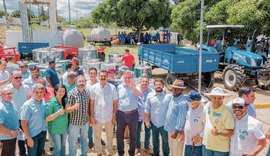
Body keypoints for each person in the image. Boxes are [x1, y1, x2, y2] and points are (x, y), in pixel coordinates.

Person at [90, 70, 118, 156]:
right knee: (97, 137)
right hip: (97, 117)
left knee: (109, 136)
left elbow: (115, 102)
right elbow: (91, 103)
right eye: (101, 76)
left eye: (104, 76)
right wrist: (92, 116)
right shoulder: (93, 88)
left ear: (107, 77)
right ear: (99, 76)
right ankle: (99, 152)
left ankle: (109, 152)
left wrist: (114, 115)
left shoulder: (112, 88)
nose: (103, 77)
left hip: (109, 117)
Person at [203, 87, 235, 156]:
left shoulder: (227, 112)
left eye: (219, 98)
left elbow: (230, 132)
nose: (217, 100)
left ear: (223, 98)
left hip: (221, 149)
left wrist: (219, 133)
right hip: (206, 145)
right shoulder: (207, 106)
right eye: (214, 98)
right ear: (210, 97)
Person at [7, 70, 31, 156]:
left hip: (24, 117)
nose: (18, 79)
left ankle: (25, 153)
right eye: (16, 77)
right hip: (13, 117)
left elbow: (29, 100)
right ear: (11, 77)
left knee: (26, 136)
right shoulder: (8, 88)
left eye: (20, 77)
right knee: (13, 139)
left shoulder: (26, 87)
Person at [117, 70, 140, 156]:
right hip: (121, 114)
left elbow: (138, 95)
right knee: (119, 135)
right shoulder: (119, 87)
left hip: (133, 114)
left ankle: (131, 153)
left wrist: (133, 87)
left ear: (132, 78)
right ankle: (120, 153)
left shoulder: (136, 86)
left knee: (133, 136)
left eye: (129, 77)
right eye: (125, 77)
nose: (127, 79)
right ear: (123, 78)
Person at [145, 78, 171, 156]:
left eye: (160, 85)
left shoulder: (168, 96)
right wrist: (147, 121)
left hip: (165, 124)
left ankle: (166, 154)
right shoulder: (150, 96)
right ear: (154, 86)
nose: (158, 86)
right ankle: (156, 153)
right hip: (154, 123)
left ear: (163, 86)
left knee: (165, 141)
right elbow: (147, 108)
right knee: (155, 139)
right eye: (156, 85)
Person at [65, 75, 90, 156]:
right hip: (74, 123)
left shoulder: (87, 92)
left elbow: (88, 106)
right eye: (80, 81)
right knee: (72, 143)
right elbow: (67, 109)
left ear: (85, 82)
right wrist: (73, 107)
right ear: (76, 82)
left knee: (84, 141)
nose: (81, 83)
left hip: (85, 122)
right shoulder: (71, 93)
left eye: (83, 81)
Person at [21, 83, 47, 156]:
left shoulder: (43, 101)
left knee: (39, 154)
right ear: (33, 93)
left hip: (42, 132)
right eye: (37, 92)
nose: (39, 94)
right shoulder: (27, 105)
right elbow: (23, 123)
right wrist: (28, 138)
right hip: (32, 135)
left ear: (44, 92)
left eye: (41, 92)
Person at [164, 79, 188, 156]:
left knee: (177, 151)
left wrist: (176, 131)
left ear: (181, 90)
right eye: (174, 88)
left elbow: (182, 118)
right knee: (172, 150)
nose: (175, 90)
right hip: (170, 129)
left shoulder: (182, 102)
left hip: (176, 131)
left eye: (177, 88)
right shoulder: (173, 97)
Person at [45, 84, 68, 156]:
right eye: (60, 91)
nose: (62, 93)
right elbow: (47, 118)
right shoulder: (51, 102)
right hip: (55, 129)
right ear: (55, 91)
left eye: (63, 91)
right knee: (58, 147)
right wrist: (58, 113)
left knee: (63, 146)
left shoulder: (65, 101)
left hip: (64, 128)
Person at [184, 90, 205, 156]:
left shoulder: (203, 111)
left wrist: (200, 136)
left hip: (197, 144)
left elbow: (207, 126)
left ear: (196, 101)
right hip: (187, 142)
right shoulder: (189, 108)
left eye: (190, 100)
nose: (188, 102)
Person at [135, 75, 152, 154]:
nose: (144, 83)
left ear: (148, 83)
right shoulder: (136, 90)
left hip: (147, 116)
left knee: (147, 132)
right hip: (138, 115)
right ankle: (137, 146)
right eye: (143, 81)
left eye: (146, 82)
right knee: (137, 131)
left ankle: (147, 146)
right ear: (140, 82)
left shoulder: (151, 92)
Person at [0, 87, 20, 156]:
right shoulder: (1, 108)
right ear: (1, 95)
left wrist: (18, 128)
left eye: (11, 93)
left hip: (12, 137)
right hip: (5, 139)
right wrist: (12, 133)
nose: (10, 95)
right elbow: (0, 127)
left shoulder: (11, 103)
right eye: (7, 94)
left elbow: (13, 117)